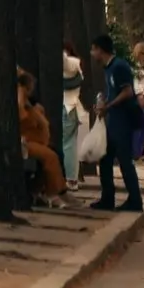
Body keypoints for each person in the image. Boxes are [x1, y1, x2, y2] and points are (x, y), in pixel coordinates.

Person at [87, 36, 144, 213]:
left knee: (125, 161)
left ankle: (135, 200)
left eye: (93, 49)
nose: (92, 54)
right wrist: (104, 101)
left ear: (100, 50)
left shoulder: (119, 67)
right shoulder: (108, 68)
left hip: (122, 120)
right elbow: (113, 91)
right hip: (113, 121)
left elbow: (127, 92)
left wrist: (109, 106)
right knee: (105, 159)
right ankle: (107, 197)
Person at [17, 68, 67, 208]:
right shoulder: (21, 103)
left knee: (54, 153)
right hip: (26, 142)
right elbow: (23, 117)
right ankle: (54, 193)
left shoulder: (31, 105)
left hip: (37, 141)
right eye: (30, 87)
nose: (32, 90)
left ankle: (42, 191)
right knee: (50, 156)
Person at [60, 43, 86, 190]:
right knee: (71, 144)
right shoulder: (76, 65)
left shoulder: (71, 64)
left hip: (67, 108)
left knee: (67, 144)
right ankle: (72, 178)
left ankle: (70, 179)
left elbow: (63, 60)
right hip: (73, 108)